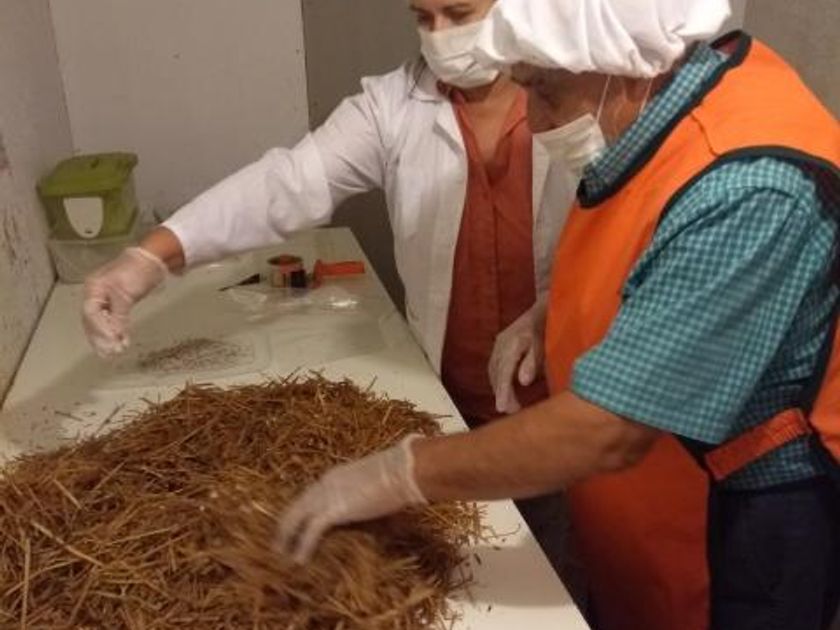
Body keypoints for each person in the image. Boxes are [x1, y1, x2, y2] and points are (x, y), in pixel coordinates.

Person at [277, 2, 840, 629]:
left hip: (741, 521)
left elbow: (605, 429)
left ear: (621, 67)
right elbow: (650, 244)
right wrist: (551, 312)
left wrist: (400, 473)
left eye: (543, 93)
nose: (536, 121)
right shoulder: (658, 105)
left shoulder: (748, 186)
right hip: (651, 487)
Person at [81, 0, 576, 428]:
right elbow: (288, 182)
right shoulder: (393, 105)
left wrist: (551, 310)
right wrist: (150, 257)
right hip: (449, 399)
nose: (440, 37)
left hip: (572, 399)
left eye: (460, 14)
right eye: (424, 18)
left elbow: (618, 243)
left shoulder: (583, 93)